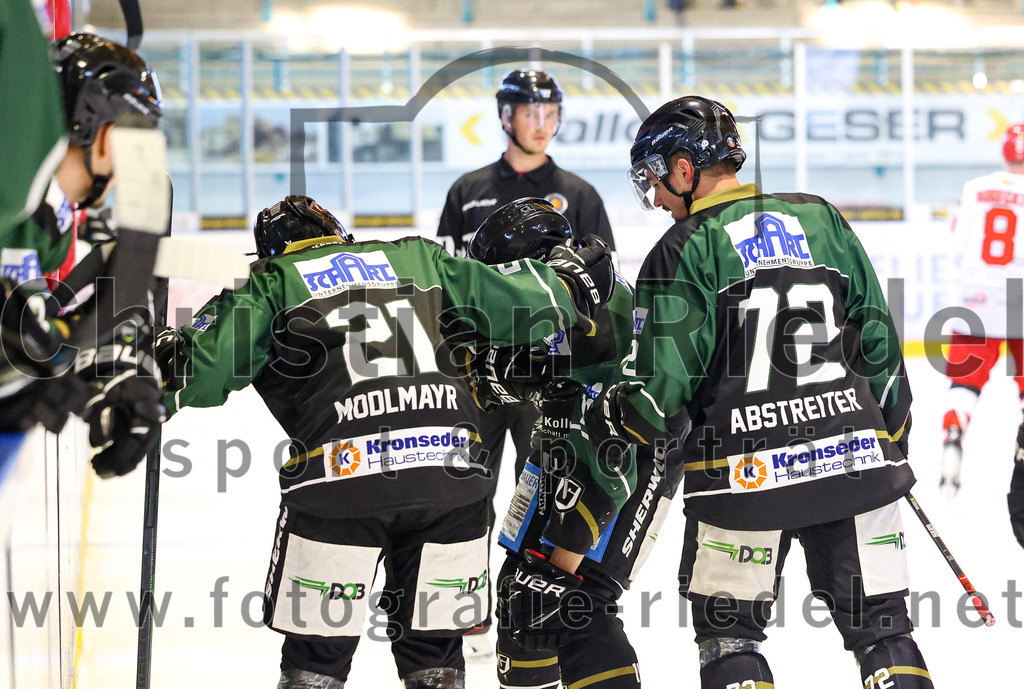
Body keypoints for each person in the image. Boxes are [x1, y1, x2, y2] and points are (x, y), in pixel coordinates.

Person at [155, 195, 613, 689]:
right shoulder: (418, 257)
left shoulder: (272, 283)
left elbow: (194, 375)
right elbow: (524, 301)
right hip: (452, 480)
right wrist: (568, 281)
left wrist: (159, 357)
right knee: (435, 662)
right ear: (339, 236)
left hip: (339, 480)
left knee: (315, 664)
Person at [584, 96, 933, 688]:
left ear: (685, 169)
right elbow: (880, 346)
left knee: (730, 639)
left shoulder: (681, 248)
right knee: (885, 631)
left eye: (657, 183)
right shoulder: (821, 218)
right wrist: (890, 440)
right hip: (853, 462)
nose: (659, 201)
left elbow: (662, 392)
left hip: (739, 477)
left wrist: (616, 425)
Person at [461, 198, 681, 689]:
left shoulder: (584, 299)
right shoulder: (557, 299)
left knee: (576, 600)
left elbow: (614, 444)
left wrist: (563, 556)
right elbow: (501, 380)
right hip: (564, 444)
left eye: (503, 277)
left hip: (631, 452)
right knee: (522, 594)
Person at [436, 66, 617, 658]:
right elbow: (446, 284)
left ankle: (530, 600)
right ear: (505, 116)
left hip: (549, 372)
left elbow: (602, 285)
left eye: (550, 113)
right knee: (464, 486)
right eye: (529, 113)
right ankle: (464, 606)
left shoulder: (580, 195)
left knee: (539, 484)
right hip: (478, 372)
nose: (541, 124)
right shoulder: (467, 192)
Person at [1, 29, 165, 482]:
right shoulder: (15, 196)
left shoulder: (45, 221)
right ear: (109, 137)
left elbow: (43, 330)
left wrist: (105, 378)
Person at [938, 123, 1024, 501]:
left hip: (976, 295)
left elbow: (956, 240)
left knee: (964, 382)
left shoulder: (975, 188)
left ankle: (953, 438)